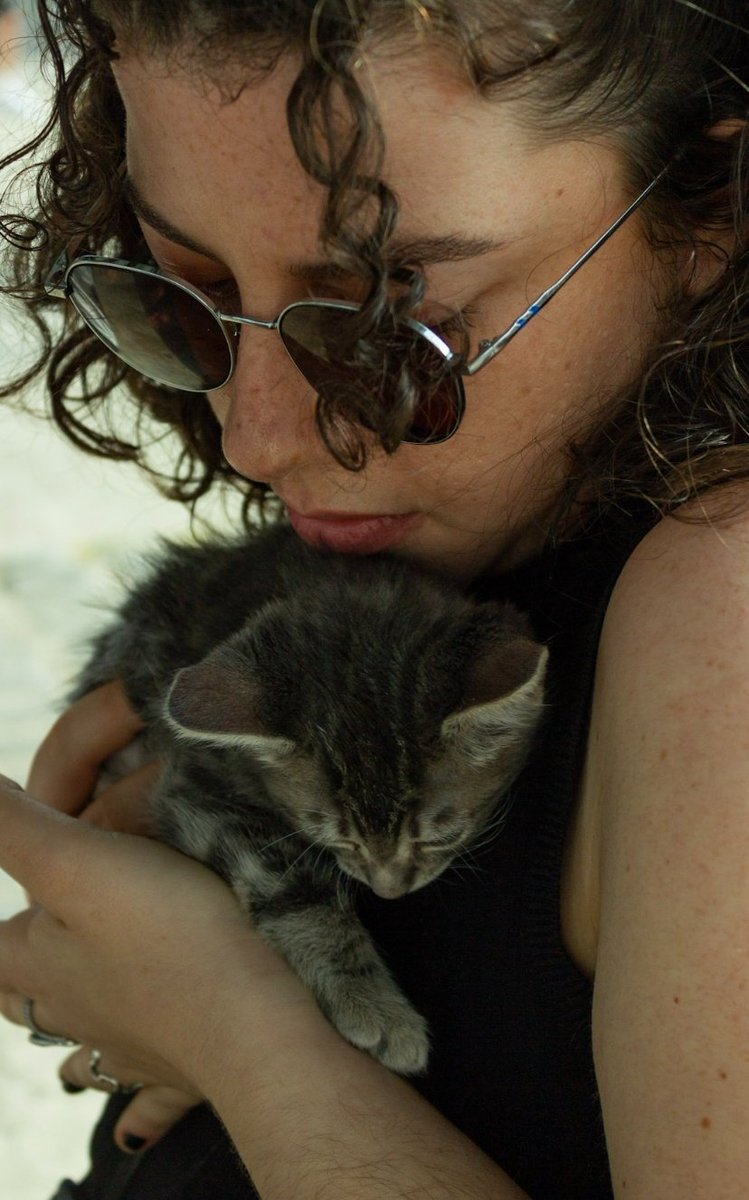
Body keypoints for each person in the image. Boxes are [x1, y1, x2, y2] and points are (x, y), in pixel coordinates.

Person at [0, 1, 747, 1197]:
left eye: (397, 325)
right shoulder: (451, 546)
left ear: (709, 209)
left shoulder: (722, 588)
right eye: (182, 289)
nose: (255, 436)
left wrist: (227, 1026)